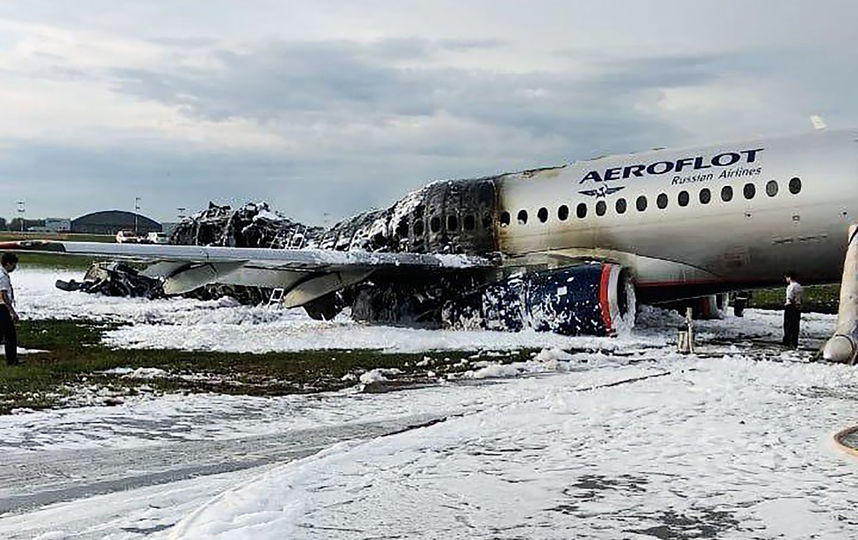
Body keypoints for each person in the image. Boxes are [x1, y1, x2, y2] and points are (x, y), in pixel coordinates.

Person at [0, 253, 19, 365]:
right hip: (2, 307)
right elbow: (3, 295)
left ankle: (12, 360)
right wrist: (12, 311)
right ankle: (11, 361)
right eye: (14, 265)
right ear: (8, 264)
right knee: (10, 335)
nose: (14, 267)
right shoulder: (2, 276)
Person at [783, 272, 803, 348]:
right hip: (798, 307)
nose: (786, 279)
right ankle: (795, 341)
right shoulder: (799, 286)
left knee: (788, 324)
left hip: (790, 306)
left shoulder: (790, 287)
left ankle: (787, 340)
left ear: (789, 277)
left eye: (786, 278)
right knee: (795, 325)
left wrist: (792, 304)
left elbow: (790, 297)